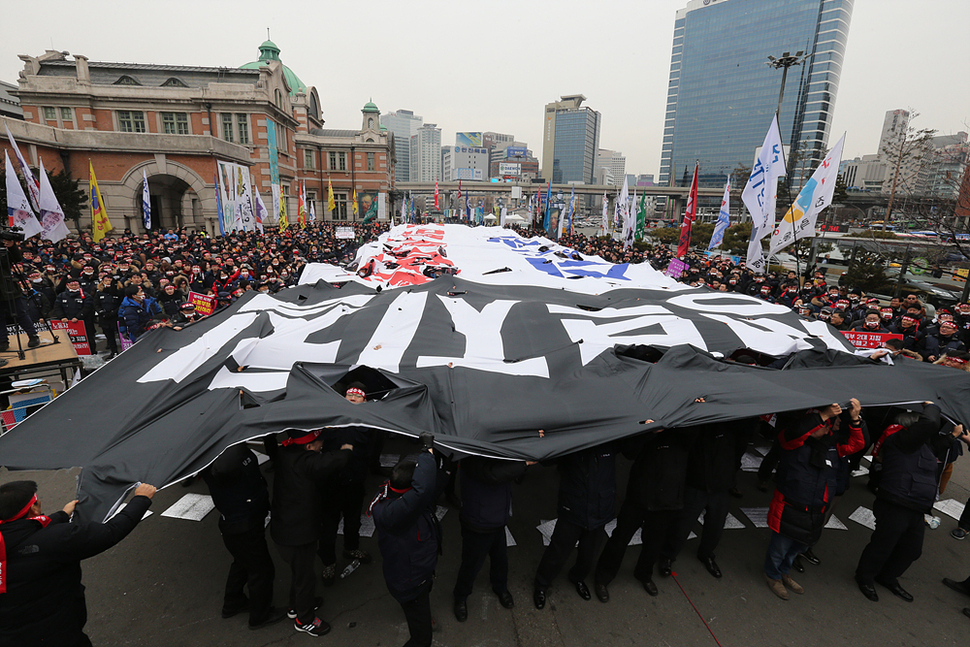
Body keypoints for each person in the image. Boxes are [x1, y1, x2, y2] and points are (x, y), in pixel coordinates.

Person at [0, 480, 156, 646]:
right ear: (34, 508)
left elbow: (23, 530)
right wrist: (141, 499)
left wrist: (61, 515)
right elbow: (110, 532)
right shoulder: (57, 539)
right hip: (56, 634)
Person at [855, 404, 969, 602]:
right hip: (896, 501)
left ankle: (887, 577)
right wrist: (932, 405)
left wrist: (952, 436)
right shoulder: (900, 440)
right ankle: (865, 577)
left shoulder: (919, 443)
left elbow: (937, 445)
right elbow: (931, 422)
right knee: (883, 545)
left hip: (915, 505)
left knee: (911, 549)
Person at [764, 399, 865, 600]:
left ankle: (785, 572)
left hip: (815, 510)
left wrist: (855, 420)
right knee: (780, 548)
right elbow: (795, 432)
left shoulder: (832, 446)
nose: (832, 429)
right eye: (828, 424)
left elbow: (858, 444)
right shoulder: (792, 442)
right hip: (791, 506)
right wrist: (824, 415)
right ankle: (772, 575)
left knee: (797, 548)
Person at [594, 426, 697, 600]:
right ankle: (603, 577)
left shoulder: (685, 430)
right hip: (640, 494)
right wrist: (650, 432)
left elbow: (694, 439)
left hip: (667, 498)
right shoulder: (648, 423)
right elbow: (629, 451)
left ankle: (644, 574)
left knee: (654, 543)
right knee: (620, 538)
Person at [270, 428, 352, 637]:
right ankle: (304, 619)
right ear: (307, 446)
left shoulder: (284, 454)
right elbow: (334, 460)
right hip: (297, 534)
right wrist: (347, 450)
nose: (321, 444)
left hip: (285, 529)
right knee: (306, 577)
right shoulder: (307, 462)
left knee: (299, 573)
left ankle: (294, 606)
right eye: (318, 442)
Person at [201, 444, 286, 629]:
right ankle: (260, 616)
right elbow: (227, 467)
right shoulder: (227, 458)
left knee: (242, 562)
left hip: (237, 521)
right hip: (243, 523)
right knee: (261, 570)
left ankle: (233, 603)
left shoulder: (211, 453)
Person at [371, 435, 441, 647]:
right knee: (422, 639)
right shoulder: (396, 513)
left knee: (421, 604)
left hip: (417, 572)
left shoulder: (394, 495)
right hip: (410, 581)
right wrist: (427, 450)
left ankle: (421, 616)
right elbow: (423, 490)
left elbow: (424, 488)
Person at [659, 421, 749, 579]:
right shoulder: (697, 425)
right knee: (682, 525)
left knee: (715, 526)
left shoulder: (731, 424)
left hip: (720, 485)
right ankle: (668, 555)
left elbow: (740, 444)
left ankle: (706, 553)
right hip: (697, 483)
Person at [534, 443, 617, 608]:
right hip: (573, 509)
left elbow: (632, 447)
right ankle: (541, 585)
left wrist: (651, 430)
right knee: (558, 552)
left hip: (599, 510)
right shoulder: (573, 440)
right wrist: (544, 439)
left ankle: (578, 578)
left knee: (589, 554)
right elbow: (547, 459)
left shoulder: (610, 438)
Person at [452, 456, 530, 621]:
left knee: (500, 559)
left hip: (497, 520)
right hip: (478, 522)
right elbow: (493, 474)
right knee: (471, 564)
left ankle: (500, 586)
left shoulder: (496, 451)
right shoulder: (470, 455)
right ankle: (460, 597)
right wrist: (523, 464)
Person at [317, 384, 374, 586]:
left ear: (364, 402)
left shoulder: (368, 421)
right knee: (328, 527)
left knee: (353, 520)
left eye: (356, 396)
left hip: (354, 482)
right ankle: (329, 562)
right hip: (330, 483)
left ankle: (351, 548)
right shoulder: (331, 418)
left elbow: (364, 440)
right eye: (348, 395)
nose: (351, 397)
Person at [0, 239, 41, 351]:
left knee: (20, 313)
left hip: (8, 287)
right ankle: (2, 340)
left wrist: (12, 246)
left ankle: (33, 335)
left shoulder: (3, 248)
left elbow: (16, 259)